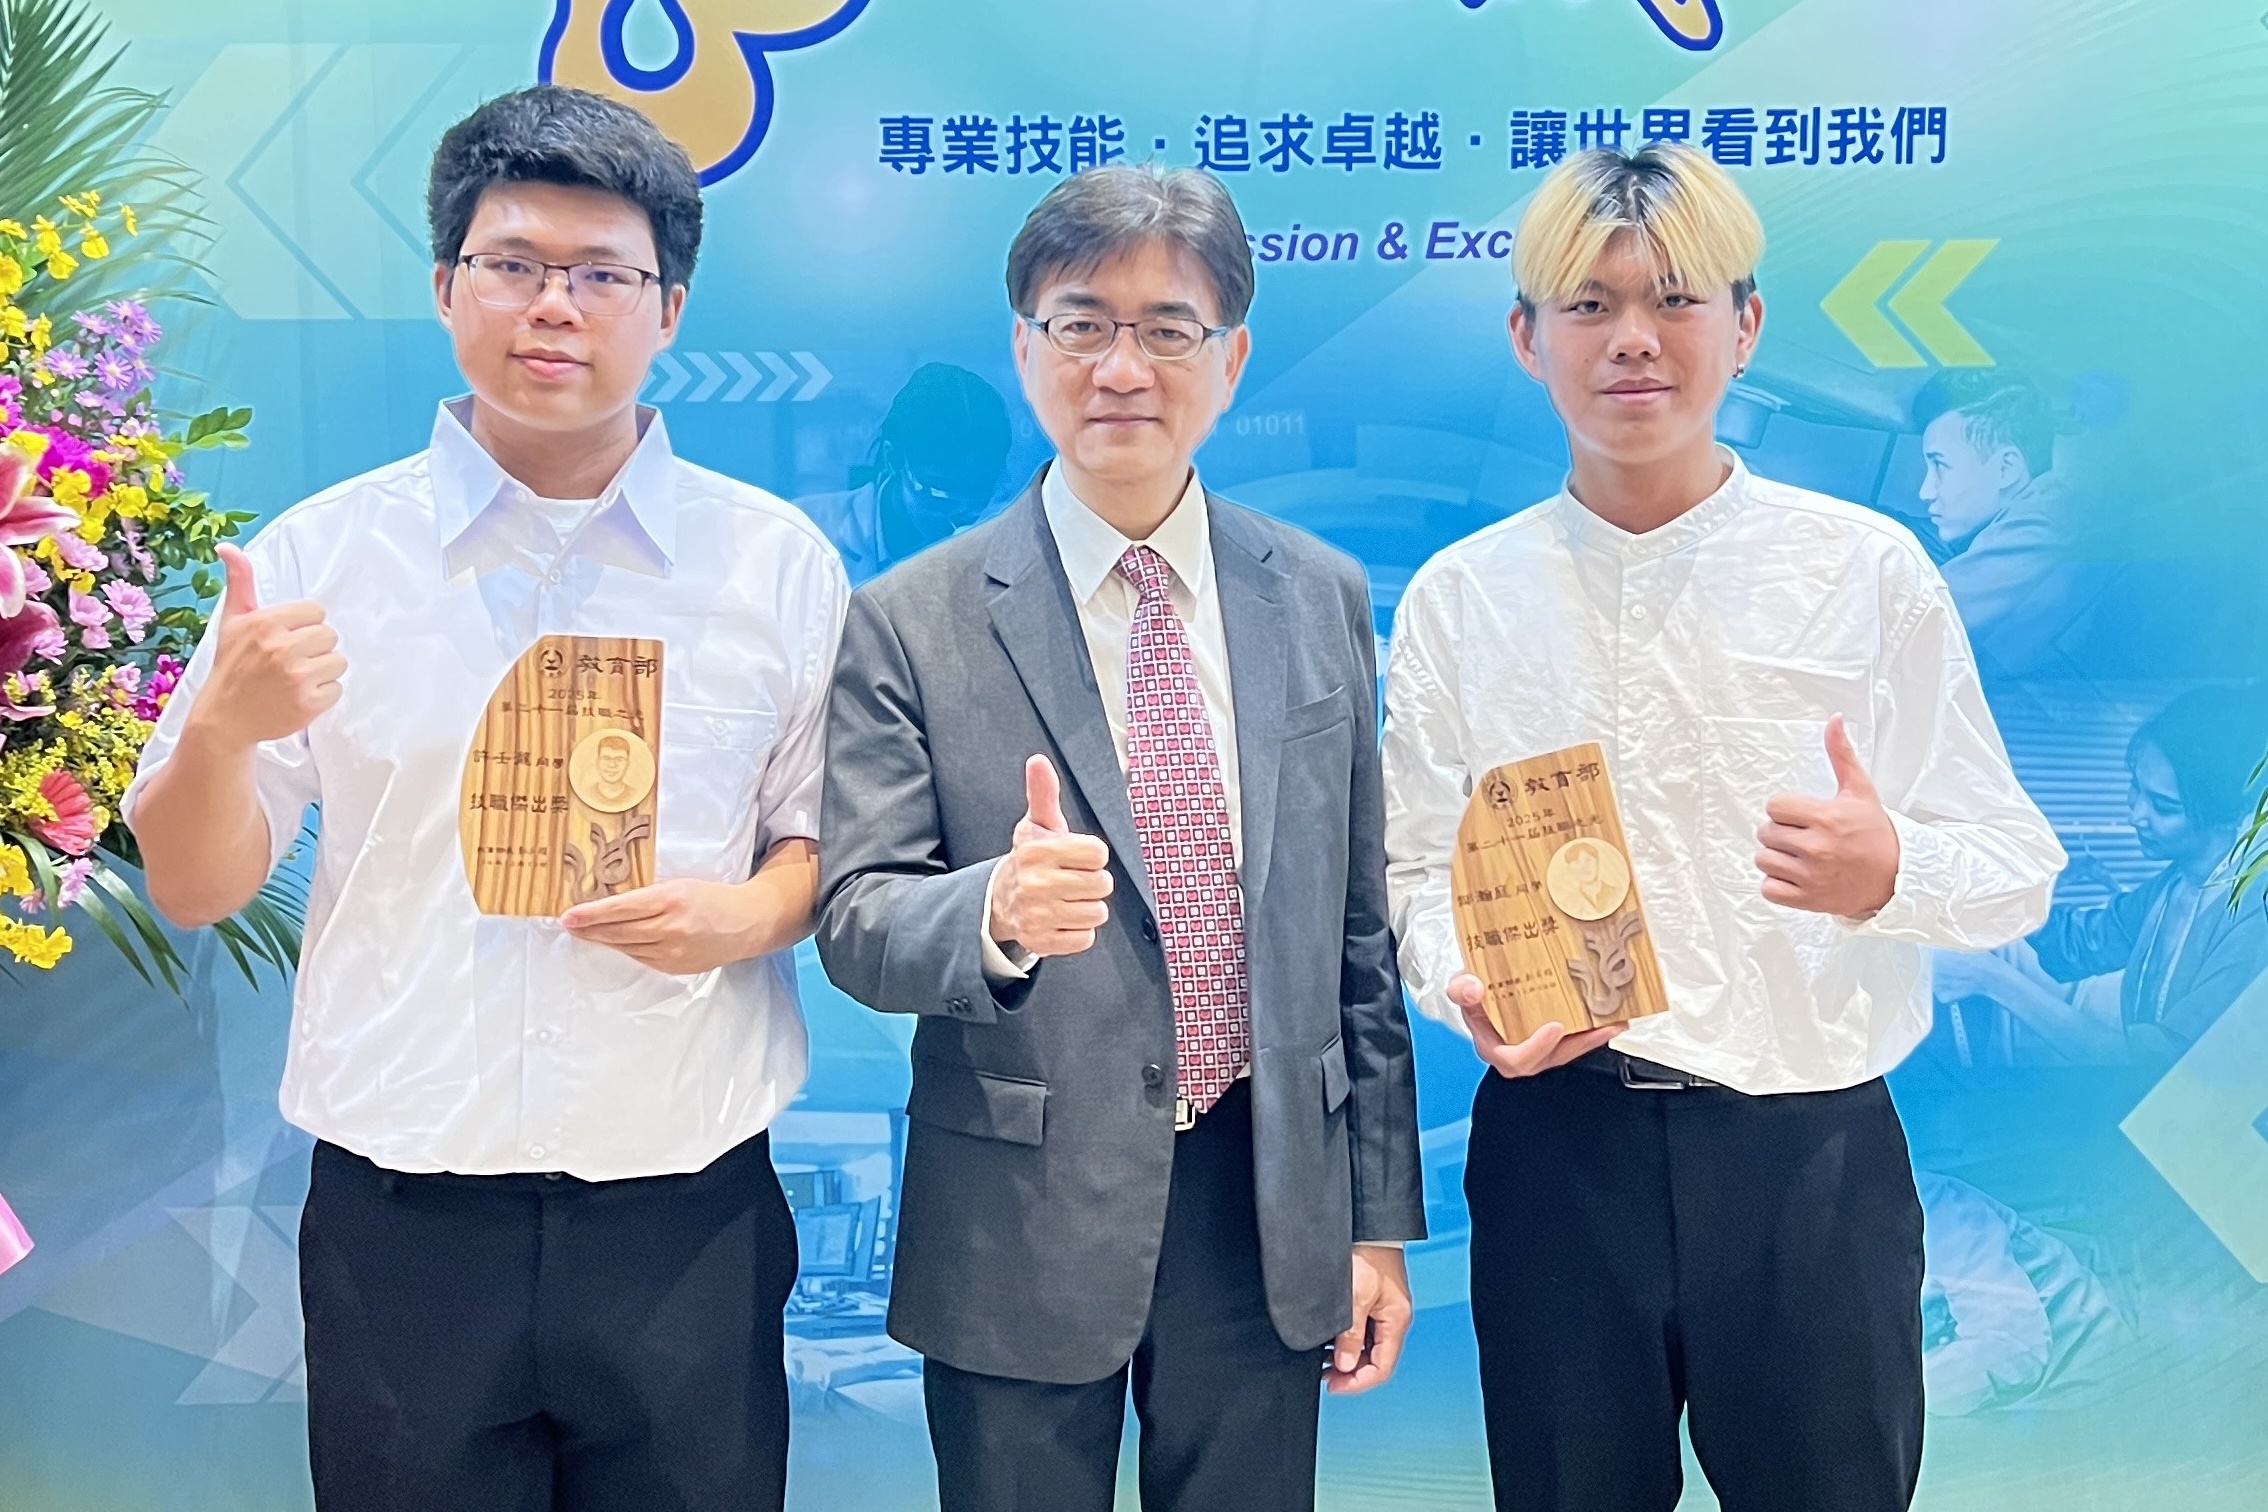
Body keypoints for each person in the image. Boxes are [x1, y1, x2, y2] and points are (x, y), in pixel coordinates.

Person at [123, 86, 846, 1512]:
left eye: (603, 275)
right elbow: (196, 889)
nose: (553, 306)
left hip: (684, 1212)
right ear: (446, 287)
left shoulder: (774, 565)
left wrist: (745, 917)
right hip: (404, 1225)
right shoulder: (317, 559)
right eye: (512, 264)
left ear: (670, 309)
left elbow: (822, 844)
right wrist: (219, 733)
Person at [1382, 143, 2066, 1512]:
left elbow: (2017, 871)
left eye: (1676, 300)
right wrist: (1465, 980)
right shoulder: (1463, 596)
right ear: (1526, 338)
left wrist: (1891, 872)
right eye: (1589, 305)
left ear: (1745, 327)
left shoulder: (1864, 570)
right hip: (1559, 1150)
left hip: (1809, 1155)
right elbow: (1411, 863)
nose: (1633, 339)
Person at [815, 164, 1425, 1512]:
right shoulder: (910, 618)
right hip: (1021, 1216)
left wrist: (1376, 1221)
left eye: (1167, 328)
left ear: (1232, 359)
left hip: (1264, 1204)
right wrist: (991, 915)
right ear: (1025, 349)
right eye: (1083, 324)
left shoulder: (1319, 596)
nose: (1122, 367)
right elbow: (856, 916)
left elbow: (1354, 937)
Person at [1934, 684, 2268, 1063]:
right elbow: (2078, 945)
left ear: (2225, 814)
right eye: (2135, 788)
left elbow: (2152, 1067)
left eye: (2163, 806)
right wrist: (1985, 882)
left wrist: (1990, 979)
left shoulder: (2255, 919)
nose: (2135, 815)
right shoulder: (2176, 885)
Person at [1912, 369, 2094, 677]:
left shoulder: (2045, 519)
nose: (1925, 491)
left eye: (1940, 465)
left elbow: (1920, 621)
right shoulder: (2021, 518)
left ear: (2006, 469)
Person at [797, 362, 1015, 583]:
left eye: (981, 489)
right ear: (893, 459)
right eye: (941, 492)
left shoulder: (1011, 540)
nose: (964, 511)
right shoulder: (805, 533)